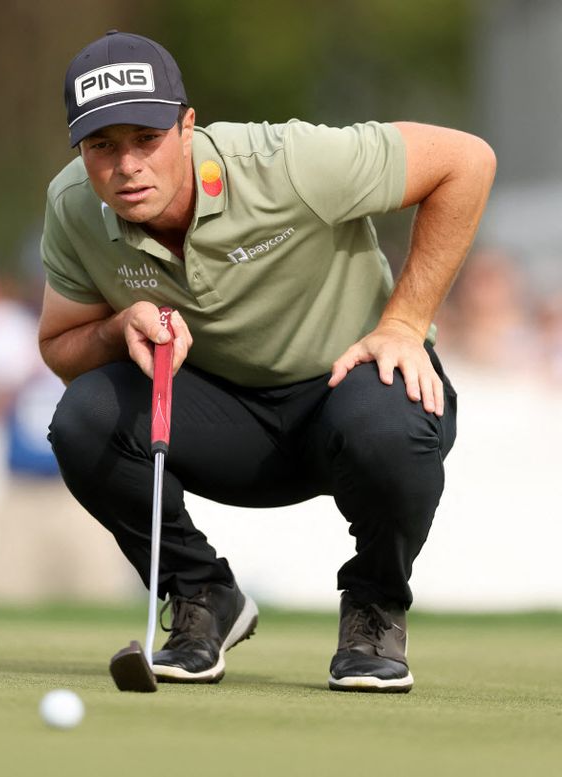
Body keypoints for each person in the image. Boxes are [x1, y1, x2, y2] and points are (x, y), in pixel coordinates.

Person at [39, 30, 496, 692]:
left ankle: (374, 608)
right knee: (83, 417)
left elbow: (467, 160)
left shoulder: (285, 162)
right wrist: (118, 326)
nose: (127, 165)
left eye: (147, 138)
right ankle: (201, 597)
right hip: (224, 422)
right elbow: (60, 348)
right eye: (101, 146)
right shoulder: (73, 206)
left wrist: (403, 322)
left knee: (386, 419)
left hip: (352, 397)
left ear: (187, 127)